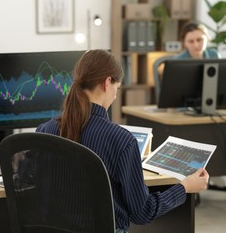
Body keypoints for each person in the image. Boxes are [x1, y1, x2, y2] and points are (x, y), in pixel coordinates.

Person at [36, 50, 209, 232]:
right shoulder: (121, 140)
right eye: (117, 88)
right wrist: (185, 188)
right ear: (107, 82)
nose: (116, 96)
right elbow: (142, 212)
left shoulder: (44, 130)